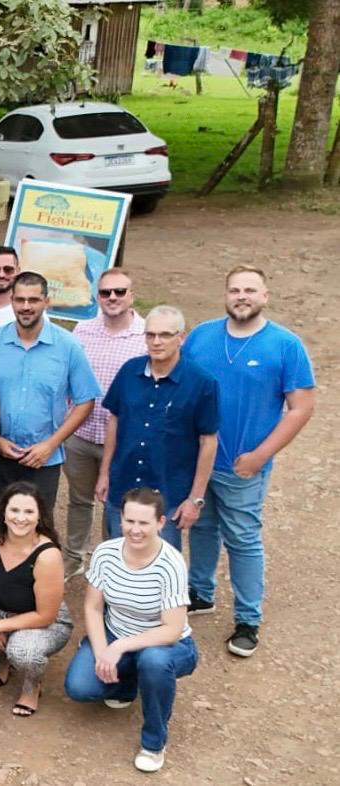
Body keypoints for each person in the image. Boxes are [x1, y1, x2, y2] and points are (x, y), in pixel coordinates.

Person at [181, 265, 315, 658]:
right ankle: (200, 592)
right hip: (199, 462)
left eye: (250, 290)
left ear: (265, 295)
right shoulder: (203, 336)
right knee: (202, 527)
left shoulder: (285, 345)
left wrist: (260, 456)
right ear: (225, 295)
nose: (242, 296)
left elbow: (301, 408)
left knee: (243, 539)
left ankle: (247, 619)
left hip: (244, 467)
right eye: (235, 290)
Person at [64, 488, 198, 774]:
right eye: (129, 521)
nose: (135, 530)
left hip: (166, 644)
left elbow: (172, 630)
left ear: (160, 523)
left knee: (154, 661)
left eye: (144, 523)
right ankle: (128, 683)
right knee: (80, 687)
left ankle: (153, 742)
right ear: (120, 519)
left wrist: (119, 647)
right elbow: (93, 608)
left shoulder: (171, 564)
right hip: (116, 633)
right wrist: (102, 651)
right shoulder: (105, 553)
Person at [0, 271, 100, 520]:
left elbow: (86, 401)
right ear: (11, 301)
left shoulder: (68, 346)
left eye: (33, 300)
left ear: (46, 302)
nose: (26, 307)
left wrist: (51, 444)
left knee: (36, 528)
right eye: (20, 300)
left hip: (43, 459)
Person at [97, 305, 219, 551]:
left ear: (181, 338)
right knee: (116, 561)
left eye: (165, 335)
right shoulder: (129, 371)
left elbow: (209, 441)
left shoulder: (202, 383)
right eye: (150, 335)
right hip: (122, 487)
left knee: (161, 570)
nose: (156, 342)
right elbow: (115, 420)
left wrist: (195, 499)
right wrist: (104, 473)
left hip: (169, 494)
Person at [0, 482, 72, 717]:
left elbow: (45, 615)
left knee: (24, 652)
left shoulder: (47, 555)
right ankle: (3, 662)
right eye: (14, 510)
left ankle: (32, 686)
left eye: (29, 512)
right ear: (4, 513)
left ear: (40, 517)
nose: (21, 518)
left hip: (39, 619)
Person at [62, 268, 147, 578]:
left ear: (131, 296)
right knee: (79, 500)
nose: (112, 298)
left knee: (120, 505)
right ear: (97, 297)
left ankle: (114, 562)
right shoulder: (82, 331)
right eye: (105, 292)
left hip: (126, 440)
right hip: (82, 433)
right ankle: (73, 557)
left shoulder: (147, 335)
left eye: (119, 292)